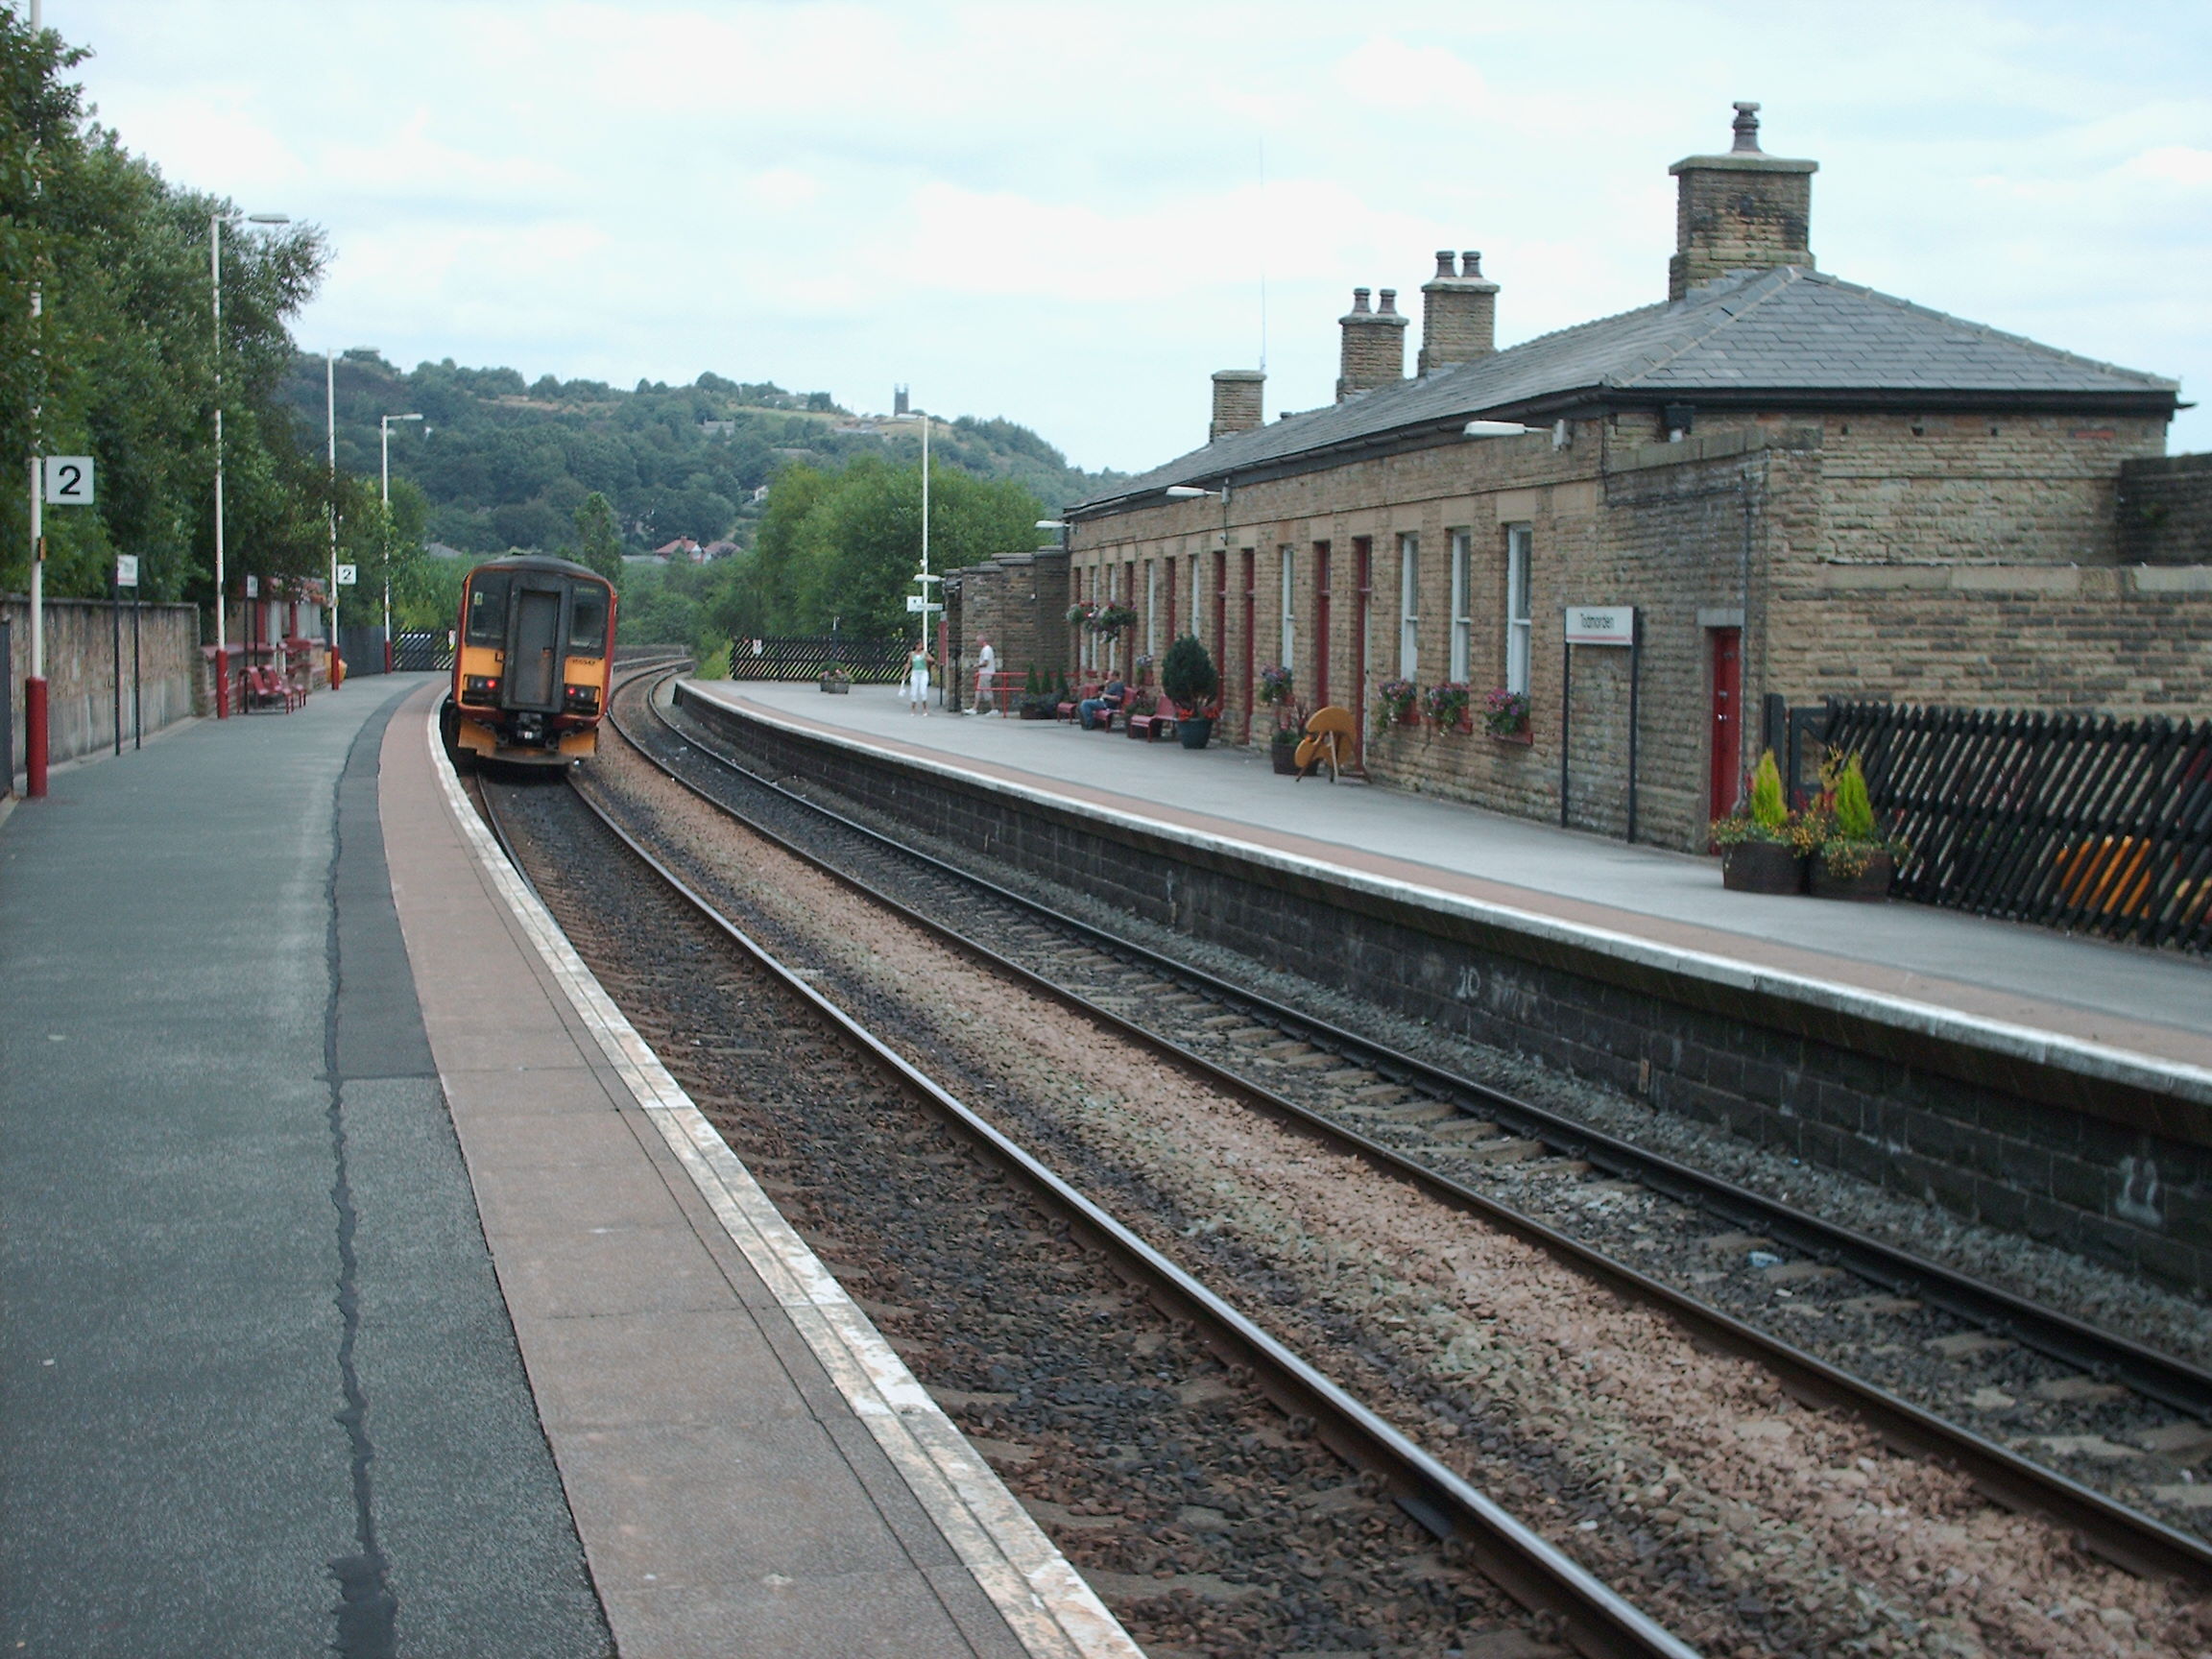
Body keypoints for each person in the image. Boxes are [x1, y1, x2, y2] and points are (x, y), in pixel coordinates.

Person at [971, 637, 996, 715]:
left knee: (987, 691)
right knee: (978, 691)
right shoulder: (986, 649)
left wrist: (977, 666)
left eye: (978, 642)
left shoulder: (986, 650)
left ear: (982, 641)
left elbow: (986, 663)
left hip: (986, 673)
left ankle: (993, 708)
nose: (977, 644)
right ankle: (974, 708)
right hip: (983, 673)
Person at [907, 641, 934, 714]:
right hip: (915, 672)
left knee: (923, 691)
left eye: (921, 645)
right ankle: (913, 709)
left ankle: (925, 709)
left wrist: (927, 659)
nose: (920, 647)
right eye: (918, 645)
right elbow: (909, 664)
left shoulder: (924, 653)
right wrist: (904, 674)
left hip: (923, 672)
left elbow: (932, 659)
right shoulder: (912, 654)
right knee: (913, 691)